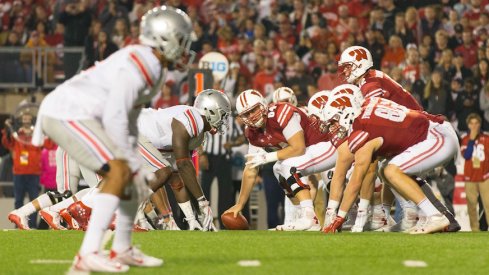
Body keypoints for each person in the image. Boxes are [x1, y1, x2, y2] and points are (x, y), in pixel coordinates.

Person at [31, 6, 194, 272]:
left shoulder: (155, 68)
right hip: (68, 113)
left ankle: (122, 248)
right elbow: (116, 115)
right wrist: (129, 159)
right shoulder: (142, 63)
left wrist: (135, 162)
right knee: (120, 171)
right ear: (163, 38)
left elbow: (129, 118)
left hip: (85, 115)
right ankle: (88, 253)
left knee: (131, 177)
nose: (186, 47)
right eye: (181, 39)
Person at [330, 46, 459, 232]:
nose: (345, 71)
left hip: (417, 130)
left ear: (360, 64)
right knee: (391, 170)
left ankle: (430, 215)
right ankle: (422, 215)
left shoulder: (370, 84)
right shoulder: (370, 79)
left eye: (349, 66)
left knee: (390, 170)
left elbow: (373, 122)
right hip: (410, 127)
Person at [225, 89, 337, 231]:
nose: (251, 117)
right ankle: (301, 217)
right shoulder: (252, 132)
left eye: (253, 110)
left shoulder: (281, 112)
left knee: (286, 166)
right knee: (278, 169)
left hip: (327, 146)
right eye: (246, 114)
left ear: (263, 105)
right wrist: (240, 204)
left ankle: (310, 218)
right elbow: (250, 169)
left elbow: (298, 148)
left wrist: (267, 157)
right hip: (309, 155)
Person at [136, 89, 231, 231]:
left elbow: (185, 176)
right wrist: (203, 204)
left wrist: (197, 216)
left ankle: (191, 222)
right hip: (135, 130)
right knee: (163, 173)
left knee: (176, 180)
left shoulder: (198, 132)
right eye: (222, 114)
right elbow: (183, 164)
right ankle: (130, 211)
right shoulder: (193, 118)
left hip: (151, 141)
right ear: (210, 110)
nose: (223, 119)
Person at [2, 112, 52, 229]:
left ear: (31, 120)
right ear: (21, 120)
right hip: (19, 173)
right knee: (18, 201)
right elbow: (6, 142)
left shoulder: (37, 135)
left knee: (34, 202)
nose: (26, 120)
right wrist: (7, 128)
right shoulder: (16, 134)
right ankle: (18, 225)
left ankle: (32, 226)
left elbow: (49, 144)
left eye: (28, 117)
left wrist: (46, 129)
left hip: (34, 174)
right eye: (24, 117)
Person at [461, 113, 489, 231]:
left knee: (488, 205)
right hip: (470, 177)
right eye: (471, 123)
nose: (474, 126)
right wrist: (472, 140)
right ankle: (475, 230)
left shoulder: (486, 139)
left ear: (480, 124)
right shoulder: (465, 139)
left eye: (476, 123)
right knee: (471, 205)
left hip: (485, 176)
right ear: (468, 125)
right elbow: (466, 155)